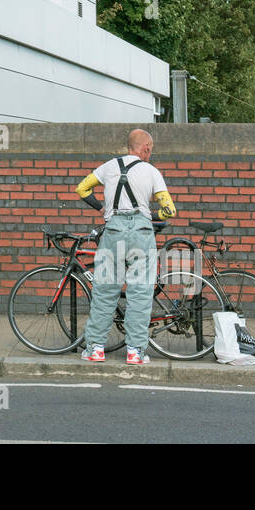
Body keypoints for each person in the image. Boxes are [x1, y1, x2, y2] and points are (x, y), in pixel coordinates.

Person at [74, 129, 178, 365]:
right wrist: (150, 215)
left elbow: (82, 188)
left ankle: (96, 349)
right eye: (150, 149)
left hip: (113, 232)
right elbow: (169, 210)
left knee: (104, 292)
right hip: (141, 234)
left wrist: (102, 209)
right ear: (146, 148)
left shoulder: (109, 166)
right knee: (140, 293)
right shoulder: (151, 171)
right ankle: (135, 352)